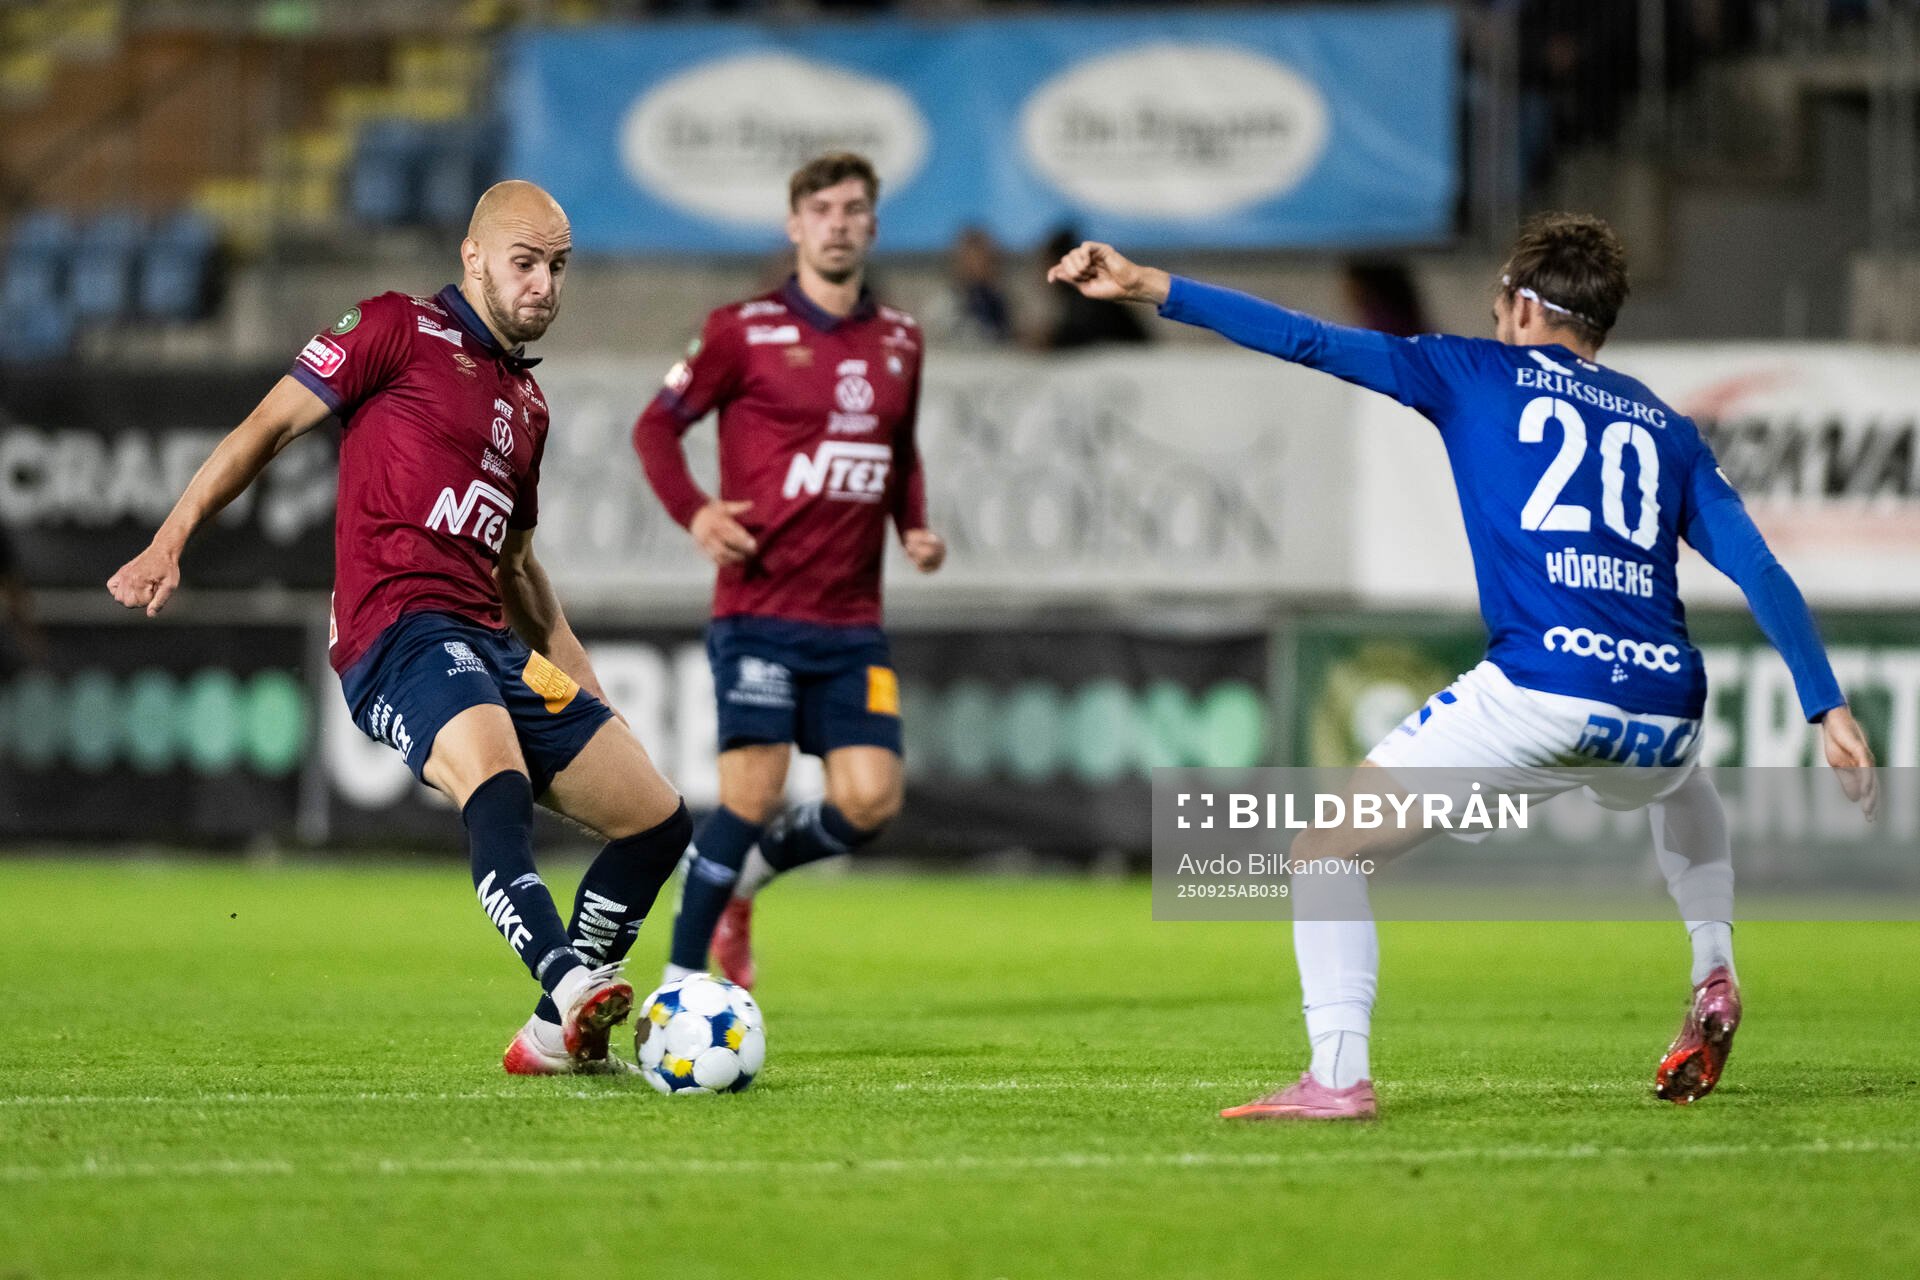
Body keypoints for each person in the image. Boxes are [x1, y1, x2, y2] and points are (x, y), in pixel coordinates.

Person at [1048, 213, 1878, 1119]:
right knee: (1681, 782)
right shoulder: (1666, 426)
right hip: (1663, 704)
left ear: (1526, 308)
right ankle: (1712, 964)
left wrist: (1151, 285)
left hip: (1540, 693)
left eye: (1496, 311)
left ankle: (1335, 1076)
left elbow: (1307, 341)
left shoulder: (1471, 371)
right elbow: (1757, 565)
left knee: (1323, 850)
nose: (1492, 327)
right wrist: (1825, 707)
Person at [107, 181, 693, 1076]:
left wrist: (590, 700)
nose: (544, 285)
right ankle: (569, 982)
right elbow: (266, 429)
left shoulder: (527, 409)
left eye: (559, 267)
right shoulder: (393, 328)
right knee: (492, 781)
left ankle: (549, 1039)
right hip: (397, 633)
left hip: (491, 641)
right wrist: (169, 538)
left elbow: (521, 574)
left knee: (657, 823)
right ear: (474, 256)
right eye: (525, 263)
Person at [634, 151, 944, 990]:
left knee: (871, 802)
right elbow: (655, 429)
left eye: (852, 208)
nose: (838, 222)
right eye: (822, 209)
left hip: (851, 624)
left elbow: (899, 449)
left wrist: (913, 527)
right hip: (759, 610)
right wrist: (696, 511)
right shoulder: (742, 329)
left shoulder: (901, 338)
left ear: (873, 224)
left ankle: (749, 888)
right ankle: (676, 987)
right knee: (750, 795)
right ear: (794, 225)